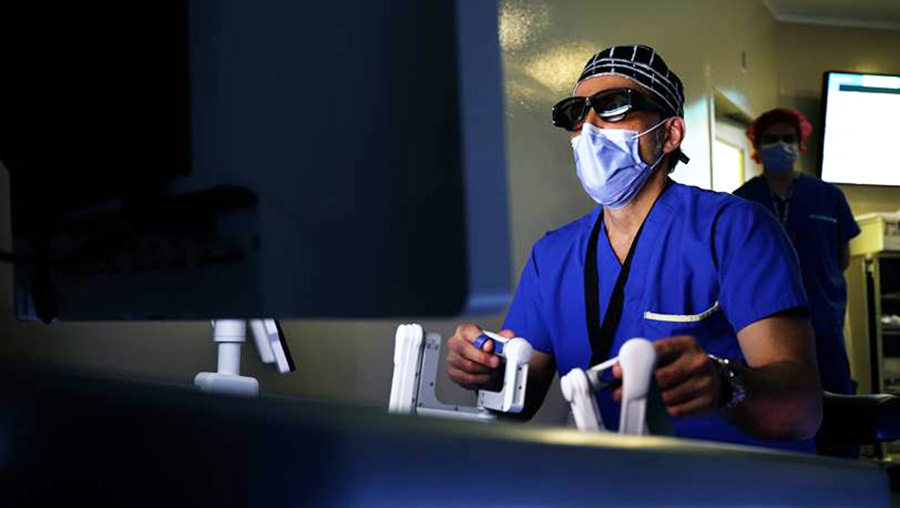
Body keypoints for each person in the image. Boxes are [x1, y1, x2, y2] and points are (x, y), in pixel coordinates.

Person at [445, 45, 822, 453]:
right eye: (576, 114)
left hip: (738, 485)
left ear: (669, 133)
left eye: (613, 106)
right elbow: (519, 399)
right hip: (619, 485)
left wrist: (725, 383)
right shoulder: (552, 256)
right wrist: (484, 368)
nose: (589, 126)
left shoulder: (733, 229)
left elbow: (801, 410)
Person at [733, 108, 861, 456]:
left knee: (835, 411)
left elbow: (842, 257)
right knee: (780, 412)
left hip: (824, 325)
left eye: (787, 138)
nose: (780, 145)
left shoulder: (828, 197)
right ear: (757, 148)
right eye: (771, 139)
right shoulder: (742, 201)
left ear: (800, 145)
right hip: (766, 330)